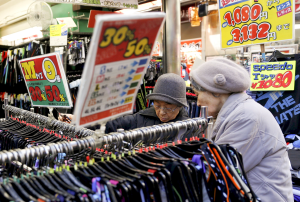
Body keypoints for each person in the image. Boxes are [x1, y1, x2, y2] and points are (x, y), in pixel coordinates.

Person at [190, 58, 293, 202]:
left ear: (216, 91)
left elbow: (220, 170)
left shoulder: (246, 117)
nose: (198, 102)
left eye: (197, 94)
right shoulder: (239, 113)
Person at [59, 73, 196, 139]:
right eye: (157, 105)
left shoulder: (188, 129)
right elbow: (112, 124)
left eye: (168, 107)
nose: (161, 112)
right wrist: (79, 120)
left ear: (179, 106)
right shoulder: (143, 117)